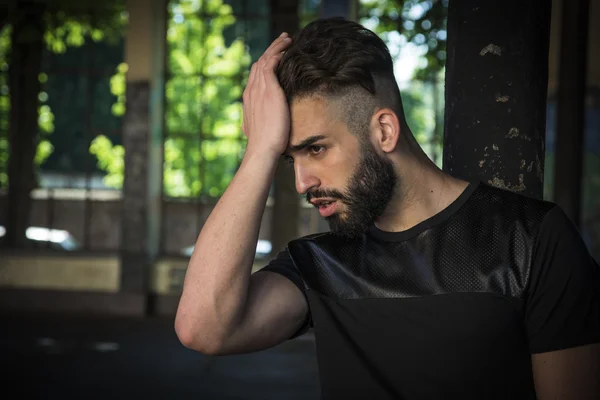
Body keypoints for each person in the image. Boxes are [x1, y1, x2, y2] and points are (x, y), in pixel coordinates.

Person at [175, 17, 600, 399]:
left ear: (384, 130)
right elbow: (203, 329)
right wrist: (258, 153)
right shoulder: (321, 262)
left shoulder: (531, 240)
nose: (302, 182)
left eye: (317, 149)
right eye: (289, 159)